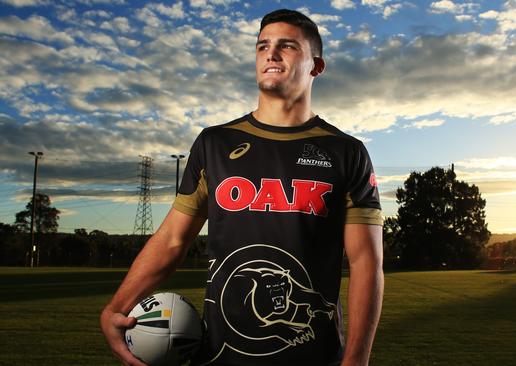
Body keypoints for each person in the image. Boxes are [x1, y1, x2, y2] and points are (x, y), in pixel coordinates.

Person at [100, 8, 383, 366]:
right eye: (262, 45)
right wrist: (117, 307)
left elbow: (365, 263)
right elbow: (173, 240)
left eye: (288, 46)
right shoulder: (214, 143)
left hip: (315, 354)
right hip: (219, 355)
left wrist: (356, 361)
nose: (271, 53)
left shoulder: (346, 152)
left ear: (316, 65)